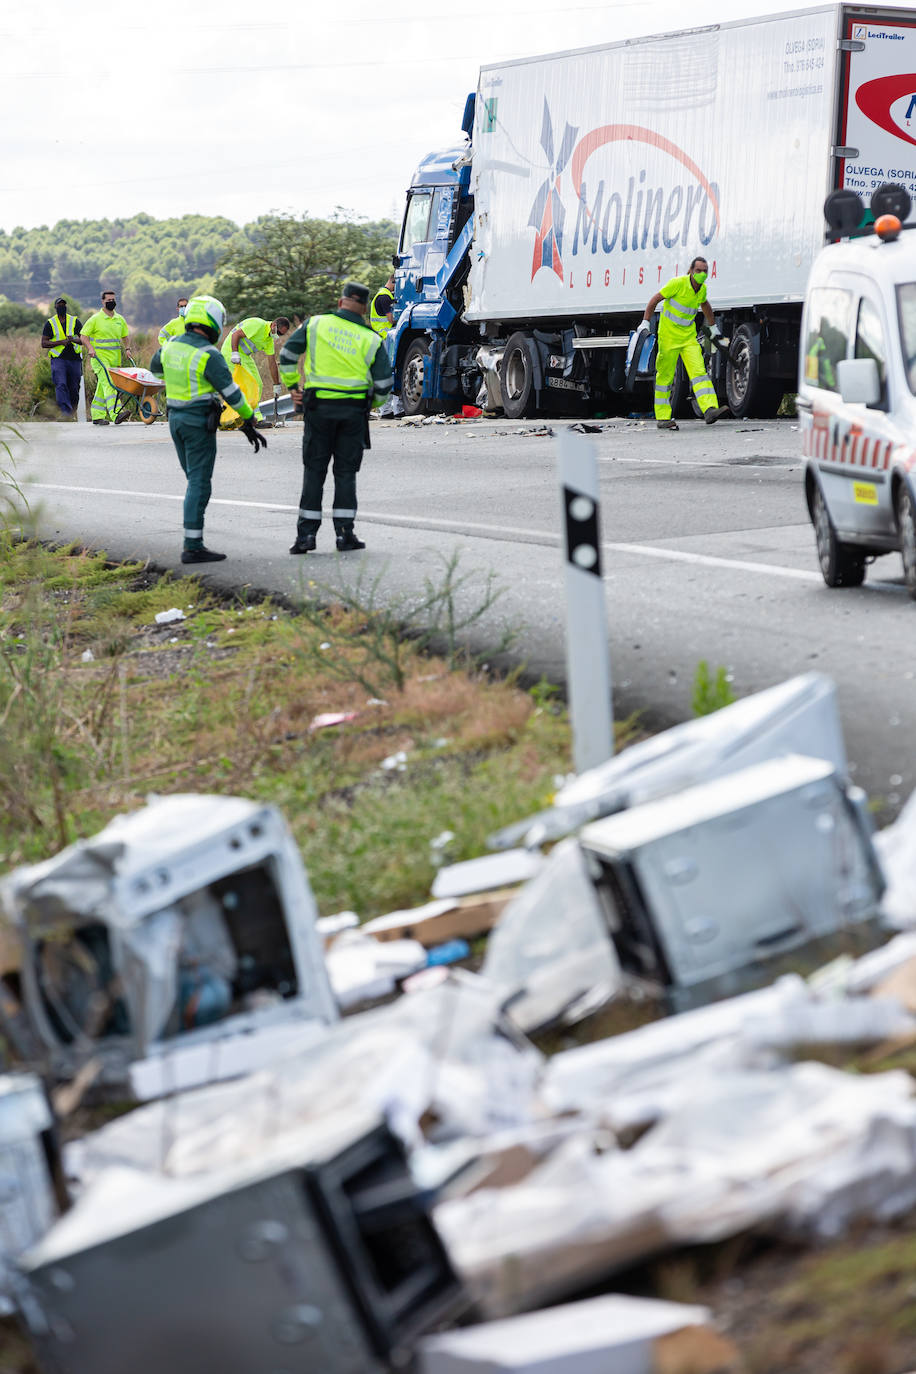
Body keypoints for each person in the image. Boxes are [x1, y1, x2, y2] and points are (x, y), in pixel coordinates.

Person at [149, 295, 267, 564]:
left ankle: (193, 542)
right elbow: (232, 394)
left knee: (193, 479)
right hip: (198, 423)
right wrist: (249, 421)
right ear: (213, 322)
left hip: (175, 421)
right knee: (199, 484)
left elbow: (156, 371)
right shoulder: (209, 354)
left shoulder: (170, 347)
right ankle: (192, 545)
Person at [278, 281, 392, 554]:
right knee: (345, 473)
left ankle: (306, 537)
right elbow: (385, 385)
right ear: (364, 309)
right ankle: (344, 534)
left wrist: (294, 388)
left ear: (341, 303)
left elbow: (287, 354)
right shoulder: (371, 338)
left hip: (318, 409)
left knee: (314, 472)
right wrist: (369, 404)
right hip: (353, 413)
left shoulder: (316, 324)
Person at [635, 256, 730, 430]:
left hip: (688, 338)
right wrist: (645, 322)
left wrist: (713, 327)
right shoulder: (677, 284)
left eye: (705, 271)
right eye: (698, 270)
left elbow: (705, 305)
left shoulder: (701, 289)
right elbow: (655, 299)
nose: (702, 274)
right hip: (669, 337)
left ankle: (709, 409)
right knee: (665, 377)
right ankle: (663, 418)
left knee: (699, 372)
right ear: (691, 271)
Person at [221, 315, 291, 424]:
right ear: (273, 325)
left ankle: (244, 417)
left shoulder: (269, 341)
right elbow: (236, 334)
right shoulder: (257, 324)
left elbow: (272, 363)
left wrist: (276, 384)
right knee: (250, 384)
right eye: (279, 332)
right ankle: (254, 419)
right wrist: (234, 353)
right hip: (230, 352)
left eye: (281, 334)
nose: (278, 335)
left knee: (258, 384)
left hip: (244, 356)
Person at [80, 289, 132, 425]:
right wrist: (90, 348)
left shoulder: (119, 319)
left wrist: (127, 349)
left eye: (113, 300)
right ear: (103, 301)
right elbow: (83, 336)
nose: (111, 302)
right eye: (108, 300)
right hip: (99, 359)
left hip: (115, 360)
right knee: (110, 384)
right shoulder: (95, 319)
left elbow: (125, 336)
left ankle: (97, 415)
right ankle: (116, 414)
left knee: (103, 387)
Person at [41, 296, 83, 420]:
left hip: (74, 359)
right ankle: (65, 412)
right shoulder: (50, 323)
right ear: (55, 308)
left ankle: (72, 412)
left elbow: (84, 340)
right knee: (61, 384)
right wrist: (60, 342)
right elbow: (44, 343)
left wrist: (73, 340)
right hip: (58, 359)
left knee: (74, 387)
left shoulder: (75, 321)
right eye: (59, 305)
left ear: (66, 307)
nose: (62, 307)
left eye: (64, 305)